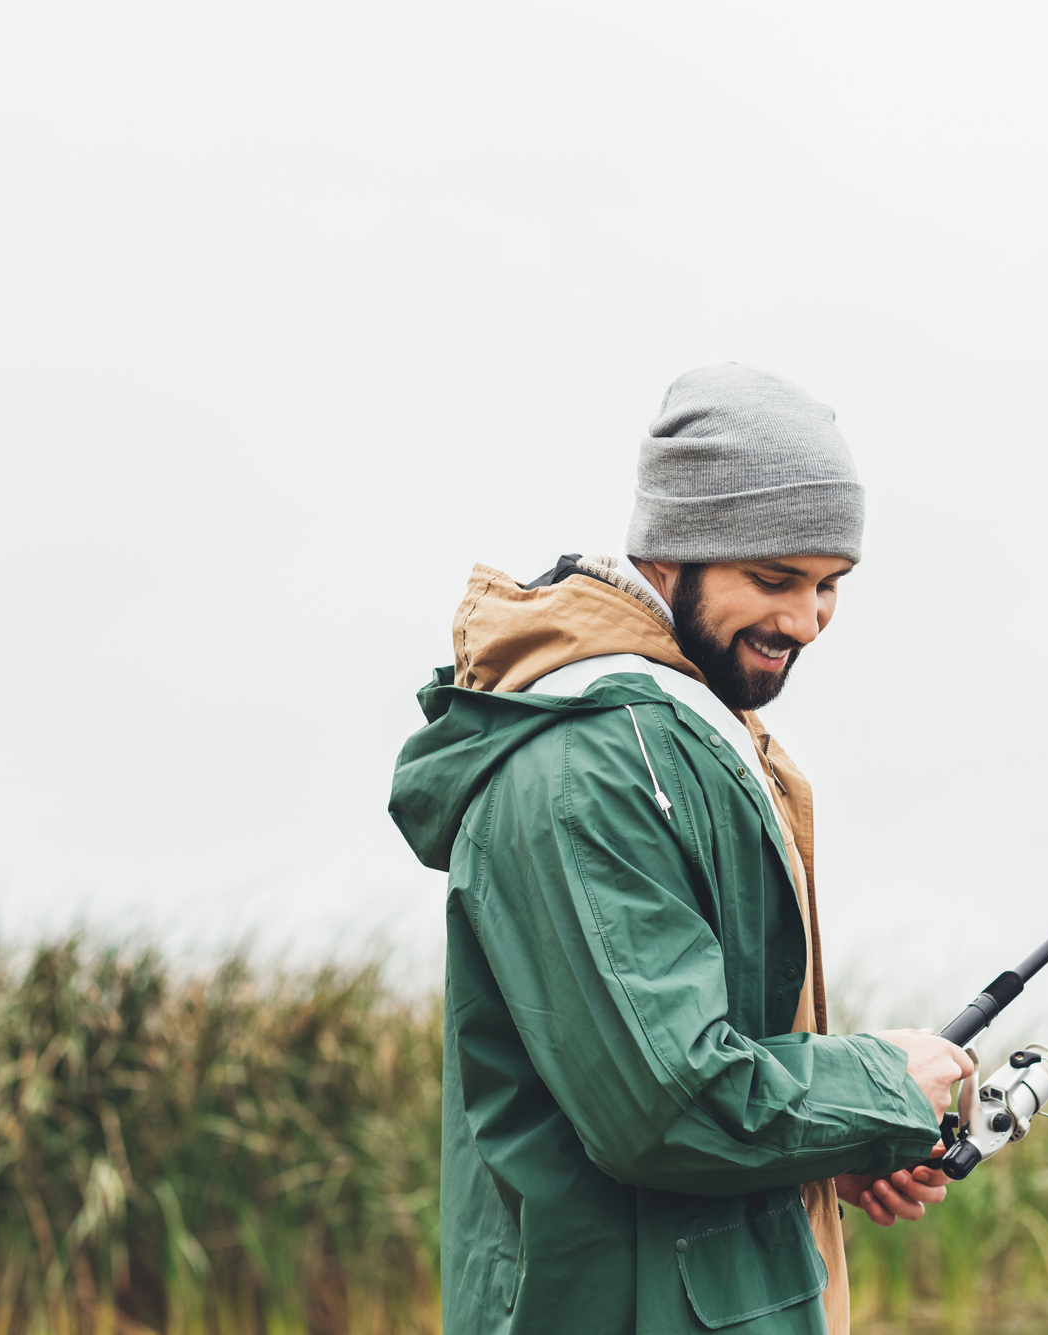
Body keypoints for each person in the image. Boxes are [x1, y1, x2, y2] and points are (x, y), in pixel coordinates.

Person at [389, 364, 973, 1334]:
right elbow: (665, 1109)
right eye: (773, 579)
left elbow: (687, 1060)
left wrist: (853, 1132)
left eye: (828, 585)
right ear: (669, 555)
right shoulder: (587, 768)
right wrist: (876, 1080)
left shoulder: (683, 738)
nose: (804, 621)